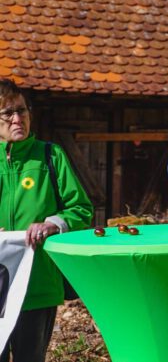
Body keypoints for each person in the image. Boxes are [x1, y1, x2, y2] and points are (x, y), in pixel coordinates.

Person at [0, 78, 93, 362]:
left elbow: (81, 209)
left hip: (38, 287)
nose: (18, 119)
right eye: (8, 113)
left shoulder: (50, 156)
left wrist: (54, 223)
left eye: (22, 110)